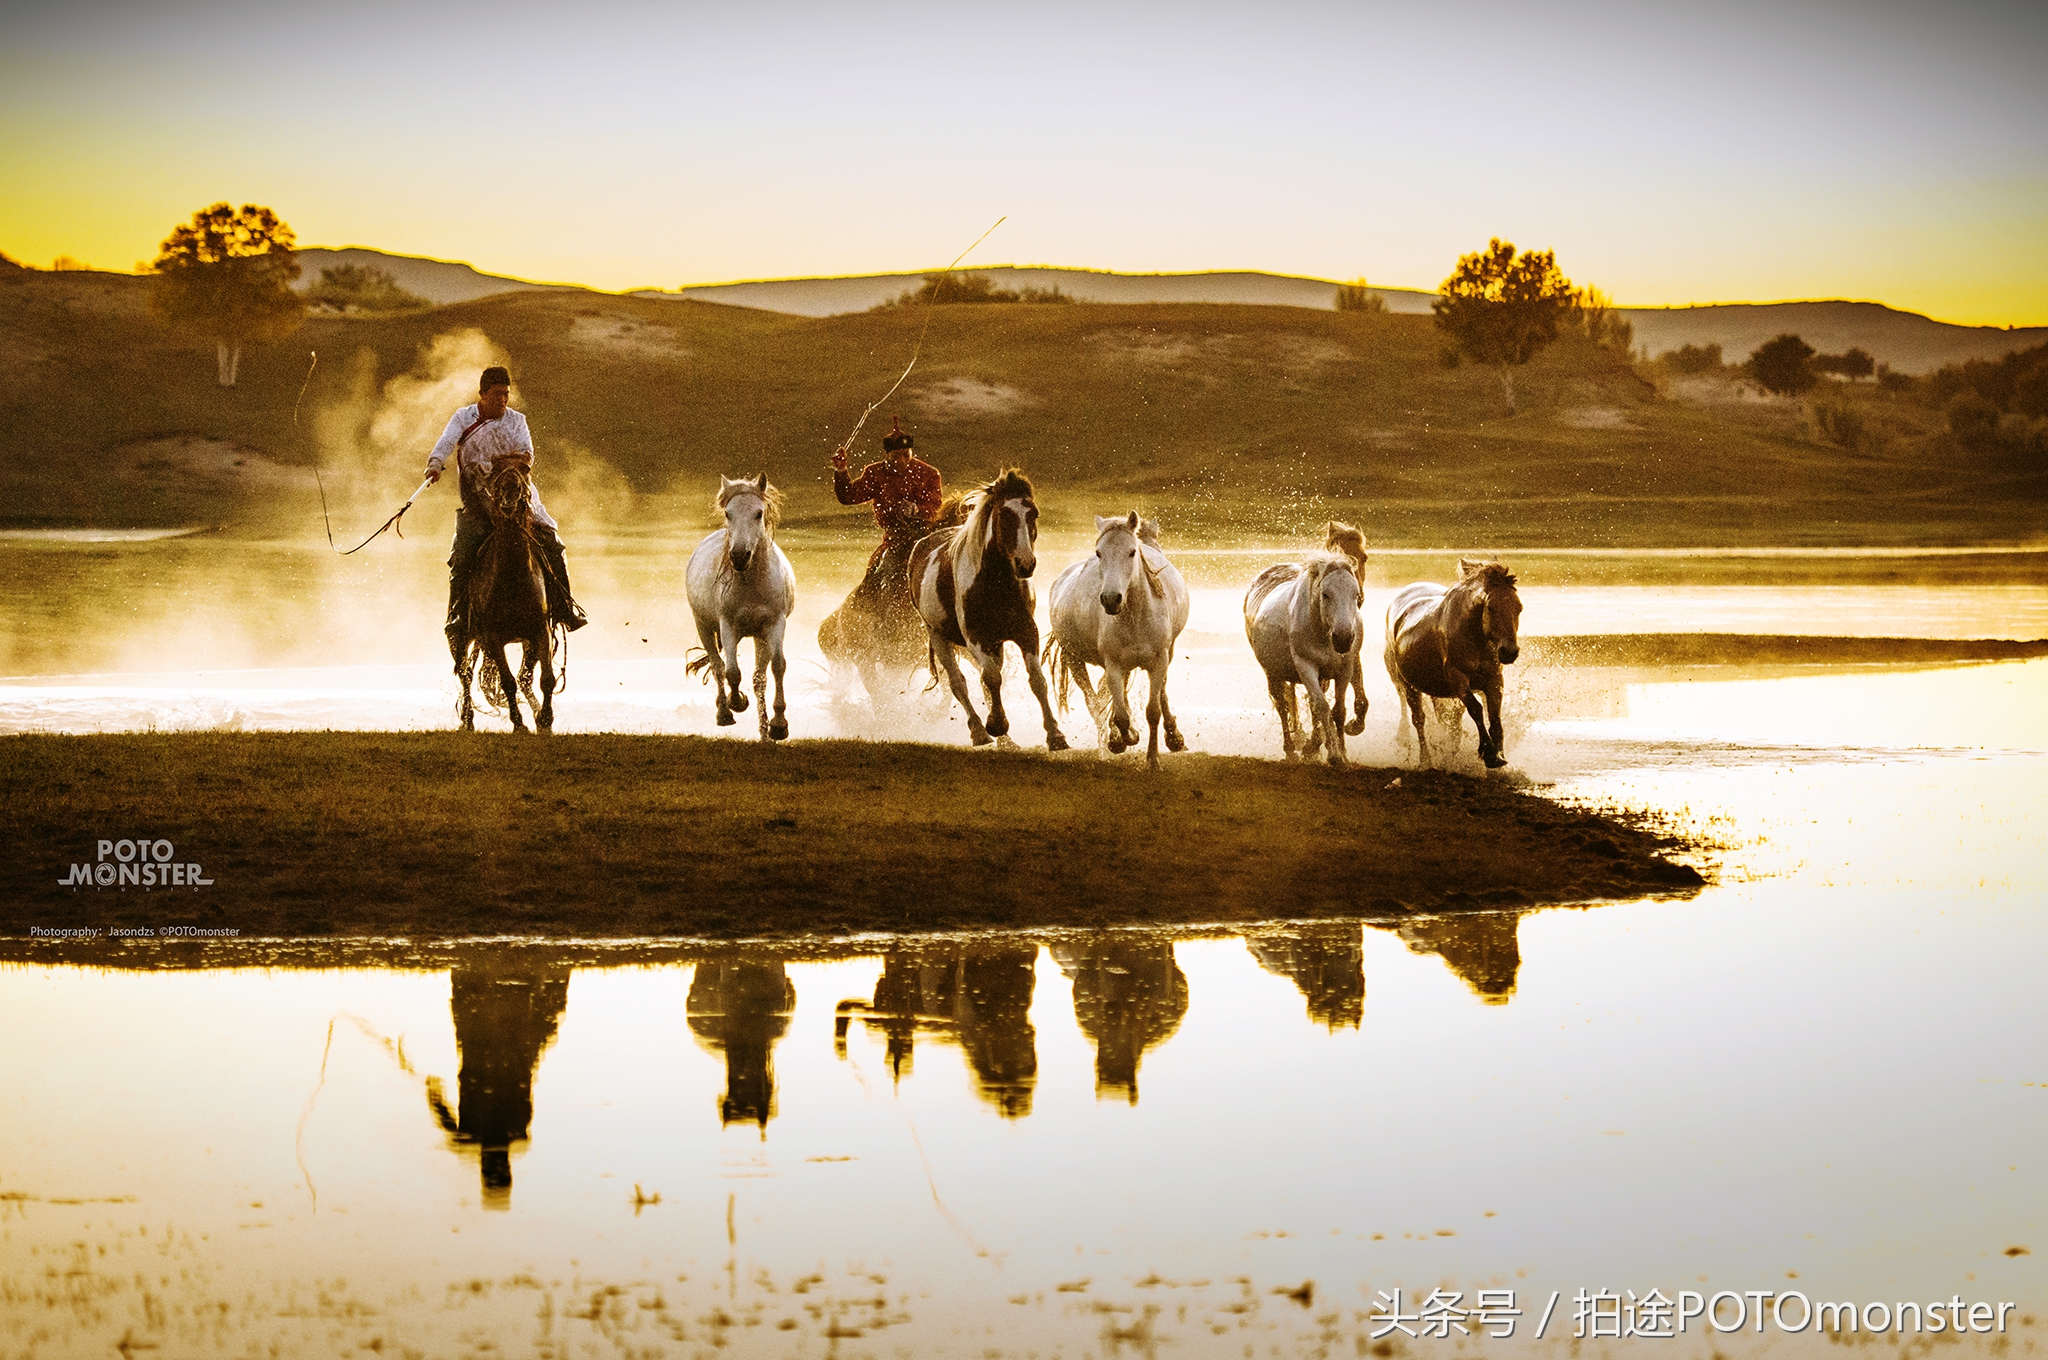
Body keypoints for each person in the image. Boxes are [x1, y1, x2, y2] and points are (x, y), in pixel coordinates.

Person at [425, 366, 586, 645]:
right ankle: (459, 616)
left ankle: (564, 609)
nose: (502, 400)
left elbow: (527, 454)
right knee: (461, 556)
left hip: (519, 496)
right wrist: (435, 463)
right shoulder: (463, 418)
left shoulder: (517, 421)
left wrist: (505, 467)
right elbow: (447, 442)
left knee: (553, 544)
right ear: (482, 393)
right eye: (497, 394)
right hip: (479, 499)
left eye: (506, 394)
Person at [831, 416, 943, 621]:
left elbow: (935, 506)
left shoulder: (929, 473)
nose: (902, 461)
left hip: (926, 538)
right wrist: (841, 470)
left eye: (906, 455)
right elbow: (849, 496)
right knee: (883, 571)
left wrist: (917, 509)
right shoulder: (875, 473)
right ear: (887, 455)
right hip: (896, 542)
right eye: (896, 456)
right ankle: (874, 616)